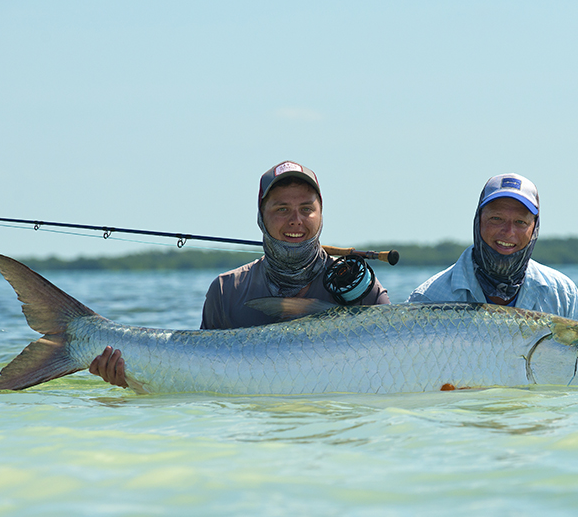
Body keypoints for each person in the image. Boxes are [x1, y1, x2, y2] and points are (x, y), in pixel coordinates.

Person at [90, 160, 390, 387]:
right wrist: (134, 379)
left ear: (321, 214)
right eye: (282, 209)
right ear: (261, 217)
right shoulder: (226, 290)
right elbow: (201, 378)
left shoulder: (362, 289)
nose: (296, 220)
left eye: (307, 209)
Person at [407, 173, 578, 327]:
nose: (508, 232)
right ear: (478, 221)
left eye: (520, 222)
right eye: (496, 219)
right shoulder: (429, 298)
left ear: (534, 229)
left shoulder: (562, 294)